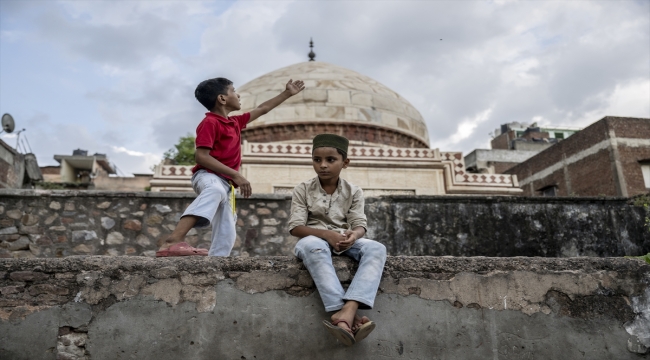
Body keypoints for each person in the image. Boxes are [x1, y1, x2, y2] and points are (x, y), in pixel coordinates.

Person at [156, 77, 305, 257]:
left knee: (227, 230)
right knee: (215, 190)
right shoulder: (210, 123)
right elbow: (201, 156)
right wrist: (236, 175)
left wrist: (287, 93)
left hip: (226, 183)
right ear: (222, 98)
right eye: (233, 90)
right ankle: (172, 241)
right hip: (208, 175)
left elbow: (262, 109)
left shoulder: (235, 123)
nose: (238, 94)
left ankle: (215, 264)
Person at [288, 134, 387, 346]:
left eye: (330, 160)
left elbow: (359, 223)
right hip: (312, 240)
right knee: (315, 246)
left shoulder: (354, 191)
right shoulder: (302, 189)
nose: (323, 165)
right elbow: (295, 228)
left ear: (345, 162)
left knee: (376, 249)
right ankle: (339, 311)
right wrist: (326, 235)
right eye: (317, 160)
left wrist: (354, 236)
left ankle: (347, 311)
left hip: (343, 240)